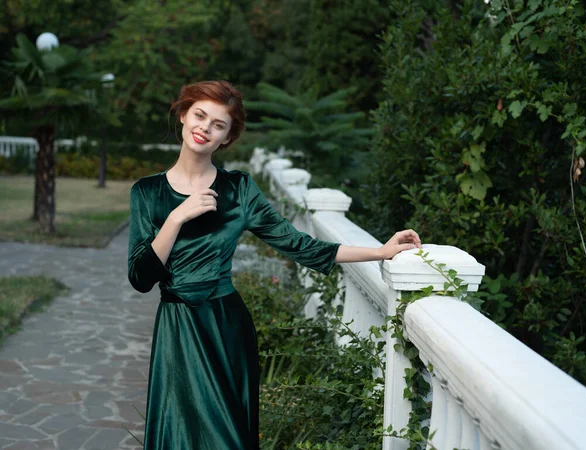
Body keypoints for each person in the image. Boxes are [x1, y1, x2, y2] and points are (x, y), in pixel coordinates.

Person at [127, 80, 421, 449]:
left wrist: (380, 252)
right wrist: (176, 218)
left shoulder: (239, 190)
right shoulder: (147, 193)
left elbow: (299, 245)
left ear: (227, 137)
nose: (205, 128)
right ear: (184, 115)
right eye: (200, 116)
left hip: (225, 329)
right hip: (177, 331)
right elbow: (140, 277)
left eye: (218, 124)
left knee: (227, 439)